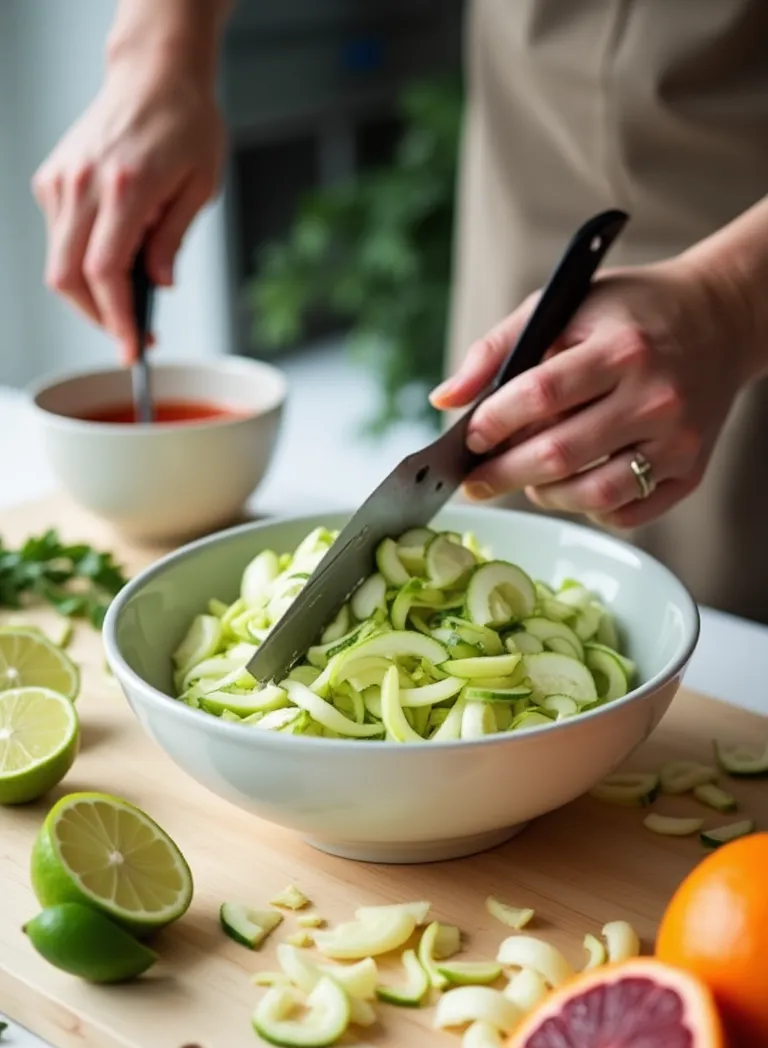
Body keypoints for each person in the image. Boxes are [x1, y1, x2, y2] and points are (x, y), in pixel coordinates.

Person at [33, 0, 768, 622]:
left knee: (728, 624)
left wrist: (731, 303)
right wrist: (157, 48)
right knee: (506, 553)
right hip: (536, 158)